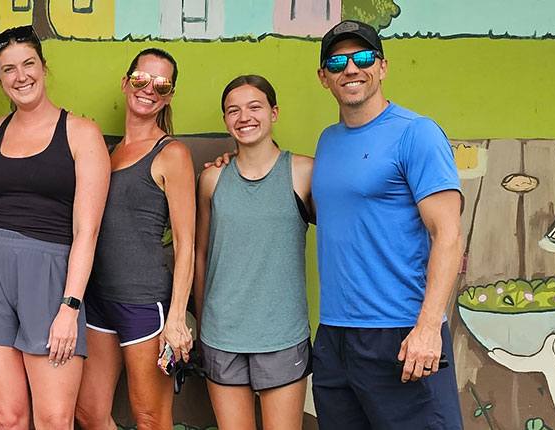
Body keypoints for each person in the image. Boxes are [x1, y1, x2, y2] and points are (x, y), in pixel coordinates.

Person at [306, 20, 465, 429]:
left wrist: (429, 327)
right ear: (324, 77)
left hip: (400, 334)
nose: (351, 69)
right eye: (338, 62)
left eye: (362, 58)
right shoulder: (327, 140)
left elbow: (447, 235)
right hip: (335, 336)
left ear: (382, 67)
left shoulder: (417, 134)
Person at [0, 25, 111, 430]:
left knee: (54, 419)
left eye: (28, 64)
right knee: (8, 418)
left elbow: (87, 232)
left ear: (45, 68)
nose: (20, 76)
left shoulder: (82, 132)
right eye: (9, 69)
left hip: (50, 277)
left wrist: (70, 305)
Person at [75, 48, 196, 430]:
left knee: (150, 419)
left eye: (162, 84)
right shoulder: (107, 153)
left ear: (170, 95)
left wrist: (177, 317)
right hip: (98, 301)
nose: (150, 89)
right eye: (142, 79)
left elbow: (186, 242)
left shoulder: (171, 153)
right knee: (89, 413)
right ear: (126, 83)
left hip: (144, 305)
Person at [195, 75, 315, 430]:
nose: (244, 116)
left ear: (274, 112)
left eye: (254, 107)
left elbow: (346, 234)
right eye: (233, 110)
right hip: (221, 336)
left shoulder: (304, 173)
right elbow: (201, 255)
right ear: (225, 121)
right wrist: (202, 326)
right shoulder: (212, 180)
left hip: (282, 335)